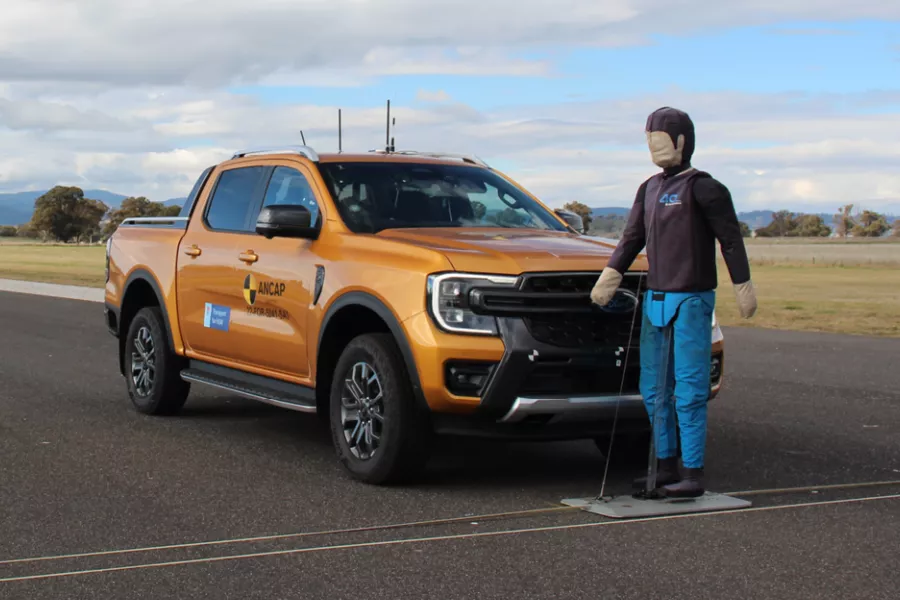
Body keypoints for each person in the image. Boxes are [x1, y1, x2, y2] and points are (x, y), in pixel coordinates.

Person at [590, 106, 757, 498]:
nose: (656, 147)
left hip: (692, 301)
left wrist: (742, 285)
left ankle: (693, 473)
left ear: (683, 142)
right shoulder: (647, 189)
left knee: (690, 387)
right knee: (653, 387)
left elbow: (730, 239)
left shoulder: (705, 187)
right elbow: (631, 238)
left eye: (663, 139)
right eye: (651, 140)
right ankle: (665, 466)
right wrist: (610, 277)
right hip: (656, 300)